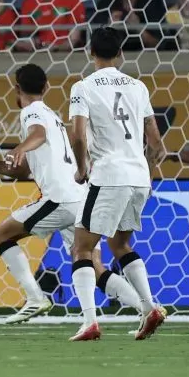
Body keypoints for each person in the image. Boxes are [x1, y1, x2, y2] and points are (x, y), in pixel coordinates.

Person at [0, 63, 143, 324]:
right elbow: (23, 172)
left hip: (60, 199)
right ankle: (147, 310)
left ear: (16, 89)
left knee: (0, 235)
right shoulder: (52, 115)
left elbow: (38, 134)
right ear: (46, 87)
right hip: (81, 199)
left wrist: (20, 147)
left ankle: (35, 298)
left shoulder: (31, 112)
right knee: (95, 266)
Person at [67, 27, 169, 341]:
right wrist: (149, 171)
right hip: (138, 177)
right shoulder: (138, 86)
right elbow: (156, 141)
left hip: (109, 175)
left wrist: (82, 168)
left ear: (89, 53)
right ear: (120, 54)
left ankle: (89, 323)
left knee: (81, 248)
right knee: (119, 244)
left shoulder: (82, 86)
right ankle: (150, 307)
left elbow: (77, 134)